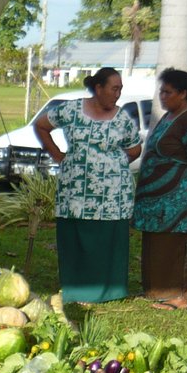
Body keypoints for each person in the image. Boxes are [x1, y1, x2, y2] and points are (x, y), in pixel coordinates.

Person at [35, 67, 142, 304]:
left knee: (108, 238)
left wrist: (114, 164)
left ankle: (110, 290)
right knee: (75, 235)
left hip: (112, 193)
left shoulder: (122, 117)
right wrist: (57, 154)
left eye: (120, 90)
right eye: (114, 89)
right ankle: (76, 288)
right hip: (75, 189)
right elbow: (41, 126)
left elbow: (135, 148)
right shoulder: (71, 110)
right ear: (98, 88)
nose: (117, 94)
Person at [133, 68, 187, 309]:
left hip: (178, 202)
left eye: (168, 92)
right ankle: (157, 290)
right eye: (161, 91)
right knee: (158, 245)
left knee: (176, 246)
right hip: (157, 204)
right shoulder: (168, 117)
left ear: (183, 93)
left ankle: (179, 296)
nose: (162, 96)